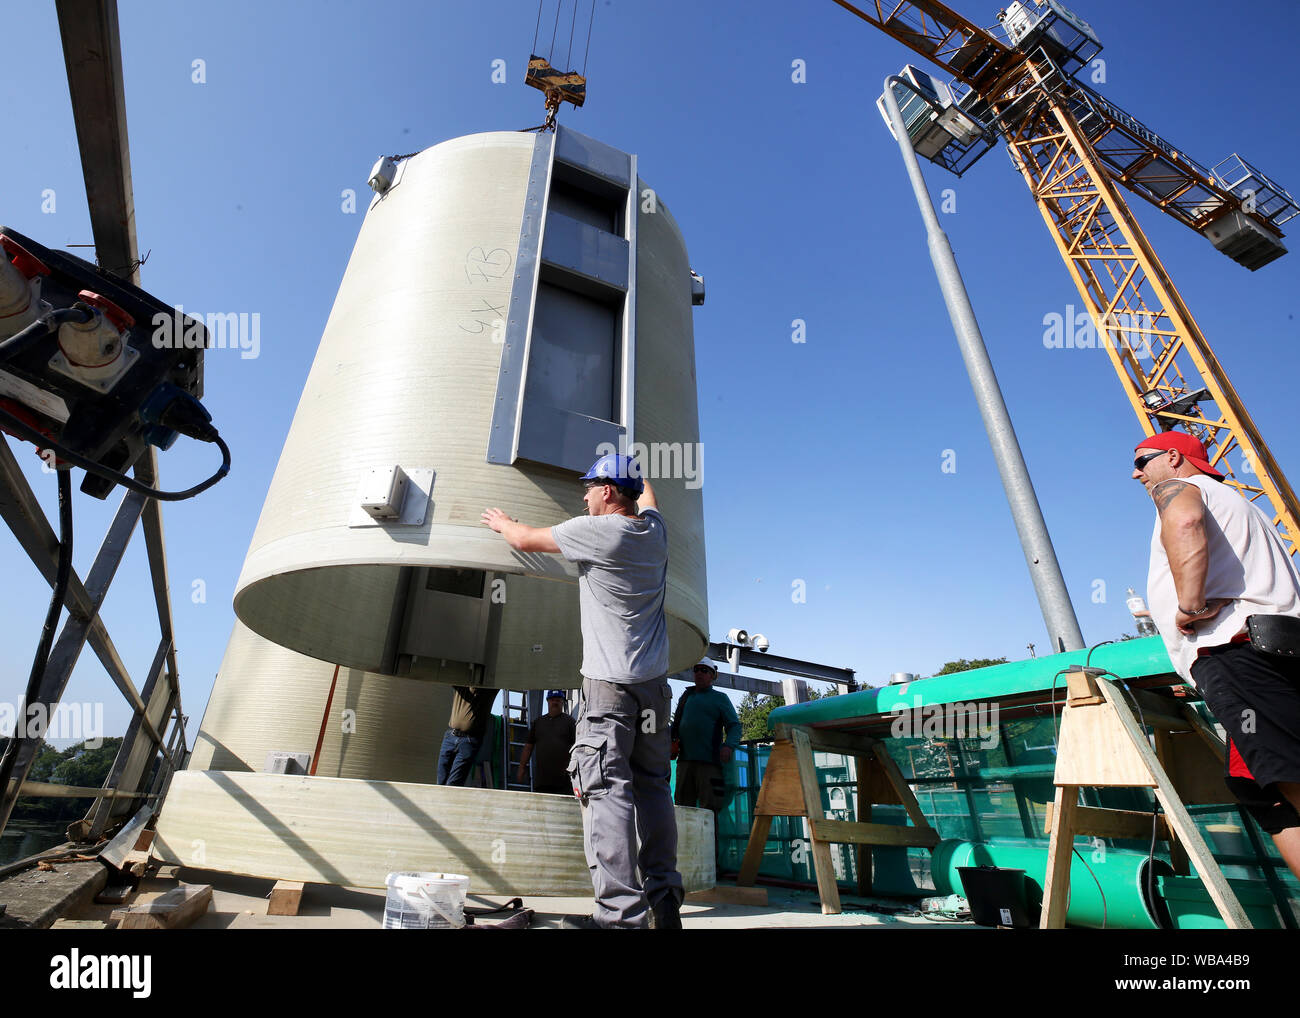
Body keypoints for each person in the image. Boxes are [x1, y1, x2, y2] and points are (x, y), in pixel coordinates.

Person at [481, 453, 683, 929]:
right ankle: (665, 902)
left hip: (610, 687)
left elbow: (524, 539)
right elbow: (649, 499)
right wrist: (636, 470)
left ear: (609, 492)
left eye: (590, 488)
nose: (585, 496)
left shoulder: (596, 531)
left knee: (607, 791)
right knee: (653, 788)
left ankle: (618, 917)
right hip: (654, 689)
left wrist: (502, 520)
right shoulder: (654, 533)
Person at [1133, 431, 1300, 878]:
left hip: (1235, 655)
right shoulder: (1244, 508)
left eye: (1143, 461)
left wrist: (1191, 605)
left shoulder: (1185, 488)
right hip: (1268, 653)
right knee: (1268, 796)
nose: (1137, 473)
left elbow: (1184, 522)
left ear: (1172, 457)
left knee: (1289, 779)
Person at [671, 660, 741, 814]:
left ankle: (710, 839)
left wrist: (729, 745)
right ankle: (683, 839)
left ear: (712, 676)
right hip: (685, 762)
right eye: (696, 670)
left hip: (710, 764)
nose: (699, 673)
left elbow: (735, 726)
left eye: (704, 670)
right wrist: (670, 742)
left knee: (709, 810)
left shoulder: (720, 698)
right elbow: (675, 725)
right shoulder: (686, 696)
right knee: (682, 808)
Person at [517, 690, 577, 794]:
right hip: (542, 781)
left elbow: (578, 748)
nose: (555, 703)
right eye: (552, 700)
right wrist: (521, 768)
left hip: (564, 781)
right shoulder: (538, 722)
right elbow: (528, 747)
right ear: (547, 701)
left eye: (558, 700)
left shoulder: (570, 722)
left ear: (562, 702)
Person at [438, 685, 498, 787]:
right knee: (441, 779)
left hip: (469, 740)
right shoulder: (462, 686)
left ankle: (448, 800)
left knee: (453, 782)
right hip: (451, 736)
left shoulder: (488, 690)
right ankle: (438, 801)